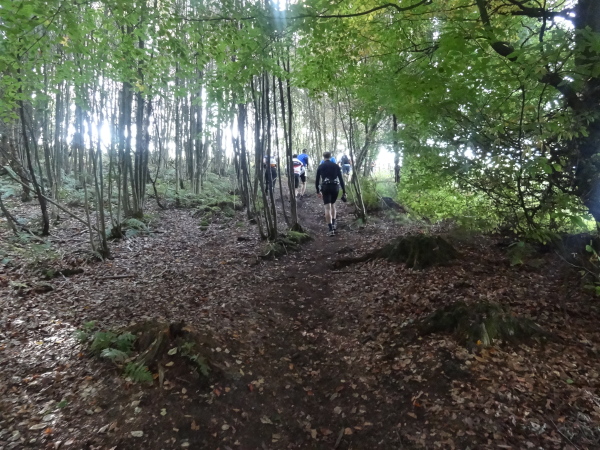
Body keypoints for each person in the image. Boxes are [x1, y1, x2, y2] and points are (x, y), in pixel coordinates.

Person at [315, 151, 346, 236]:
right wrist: (344, 191)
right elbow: (341, 179)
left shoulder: (321, 166)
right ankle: (334, 224)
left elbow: (317, 180)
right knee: (333, 205)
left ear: (323, 157)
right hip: (335, 187)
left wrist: (318, 191)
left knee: (327, 208)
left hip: (326, 187)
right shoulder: (336, 166)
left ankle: (330, 229)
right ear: (330, 156)